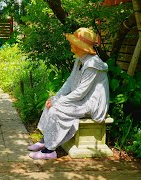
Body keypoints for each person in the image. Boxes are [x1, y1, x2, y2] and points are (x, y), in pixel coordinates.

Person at [28, 27, 109, 159]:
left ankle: (50, 150)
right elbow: (70, 82)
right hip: (82, 99)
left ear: (81, 46)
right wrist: (56, 97)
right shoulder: (80, 59)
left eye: (73, 42)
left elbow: (81, 92)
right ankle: (46, 140)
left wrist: (57, 102)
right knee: (50, 102)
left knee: (56, 109)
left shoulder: (93, 64)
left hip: (92, 103)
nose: (71, 44)